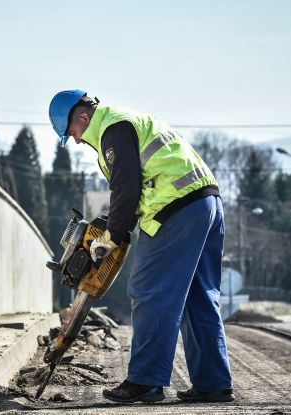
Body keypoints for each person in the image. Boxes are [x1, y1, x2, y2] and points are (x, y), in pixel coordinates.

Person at [48, 90, 234, 403]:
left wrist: (113, 237)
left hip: (174, 210)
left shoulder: (112, 129)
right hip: (206, 204)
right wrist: (115, 227)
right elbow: (134, 187)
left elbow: (126, 187)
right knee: (199, 296)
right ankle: (213, 383)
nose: (77, 141)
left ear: (81, 116)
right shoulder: (128, 120)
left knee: (150, 291)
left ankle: (146, 381)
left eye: (73, 133)